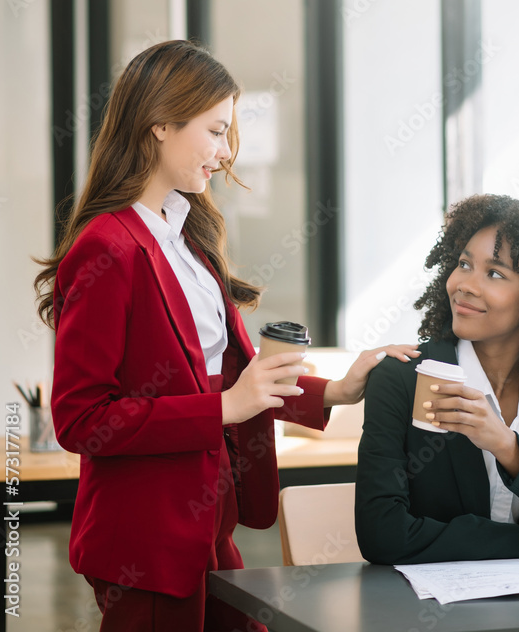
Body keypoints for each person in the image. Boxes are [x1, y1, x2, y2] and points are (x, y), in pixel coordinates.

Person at [35, 39, 419, 631]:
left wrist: (336, 392)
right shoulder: (107, 249)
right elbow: (82, 419)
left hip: (209, 519)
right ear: (161, 123)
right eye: (216, 132)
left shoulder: (187, 236)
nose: (225, 152)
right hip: (146, 540)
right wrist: (223, 407)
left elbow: (232, 380)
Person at [355, 193, 519, 564]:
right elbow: (382, 536)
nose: (464, 284)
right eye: (464, 264)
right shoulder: (401, 377)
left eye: (495, 273)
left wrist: (507, 447)